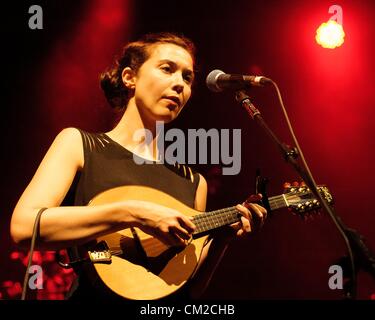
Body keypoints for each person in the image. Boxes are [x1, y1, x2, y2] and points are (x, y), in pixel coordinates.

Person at [10, 32, 267, 300]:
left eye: (187, 77)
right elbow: (24, 227)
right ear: (129, 77)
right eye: (167, 69)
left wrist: (220, 241)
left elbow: (184, 292)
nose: (179, 84)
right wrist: (134, 212)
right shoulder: (79, 145)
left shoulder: (193, 182)